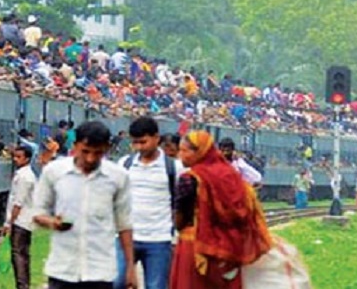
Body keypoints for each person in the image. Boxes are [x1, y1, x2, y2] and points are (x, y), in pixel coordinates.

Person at [33, 120, 136, 289]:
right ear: (74, 146)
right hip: (62, 269)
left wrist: (130, 267)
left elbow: (124, 224)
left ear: (107, 149)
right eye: (85, 151)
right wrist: (52, 222)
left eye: (98, 153)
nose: (90, 158)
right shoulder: (54, 172)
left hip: (100, 270)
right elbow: (38, 212)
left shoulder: (118, 177)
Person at [171, 130, 273, 289]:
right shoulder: (230, 175)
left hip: (195, 247)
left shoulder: (190, 179)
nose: (180, 155)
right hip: (228, 249)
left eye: (184, 151)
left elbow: (179, 219)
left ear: (200, 152)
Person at [116, 117, 181, 289]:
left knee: (156, 286)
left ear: (156, 138)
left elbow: (182, 202)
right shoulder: (125, 164)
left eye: (143, 142)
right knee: (117, 282)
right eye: (135, 143)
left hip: (159, 239)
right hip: (127, 237)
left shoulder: (174, 168)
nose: (139, 147)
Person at [5, 143, 37, 289]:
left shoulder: (24, 177)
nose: (15, 160)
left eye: (19, 157)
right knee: (23, 254)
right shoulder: (26, 174)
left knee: (18, 254)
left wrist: (9, 224)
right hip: (25, 220)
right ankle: (24, 284)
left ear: (27, 159)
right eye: (14, 156)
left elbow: (18, 203)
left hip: (21, 221)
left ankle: (22, 285)